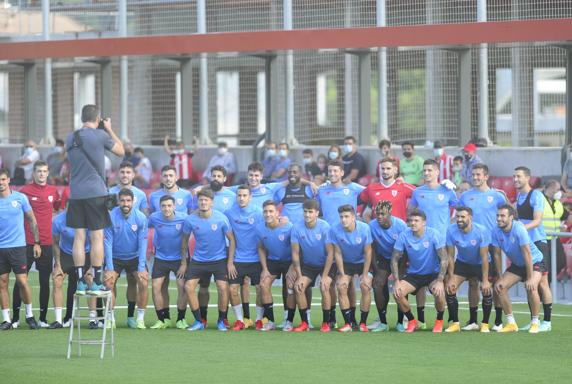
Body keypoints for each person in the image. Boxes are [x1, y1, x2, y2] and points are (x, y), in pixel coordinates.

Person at [65, 104, 124, 297]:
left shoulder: (70, 137)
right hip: (95, 193)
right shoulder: (101, 135)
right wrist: (108, 128)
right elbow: (121, 151)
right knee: (97, 236)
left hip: (75, 194)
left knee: (79, 237)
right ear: (97, 119)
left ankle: (81, 280)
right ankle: (97, 280)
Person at [12, 160, 60, 328]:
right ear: (33, 173)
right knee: (21, 281)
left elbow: (57, 208)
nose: (41, 174)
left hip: (46, 243)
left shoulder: (54, 191)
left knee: (44, 282)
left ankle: (43, 319)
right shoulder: (24, 192)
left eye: (44, 171)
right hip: (26, 243)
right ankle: (15, 318)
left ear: (48, 173)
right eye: (38, 171)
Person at [459, 163, 507, 330]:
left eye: (479, 174)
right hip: (472, 245)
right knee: (473, 283)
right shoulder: (465, 196)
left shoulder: (497, 196)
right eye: (474, 175)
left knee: (495, 283)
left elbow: (509, 214)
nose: (476, 177)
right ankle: (473, 321)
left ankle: (498, 321)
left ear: (486, 176)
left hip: (493, 245)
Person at [182, 188, 235, 332]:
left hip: (219, 259)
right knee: (188, 287)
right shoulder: (190, 219)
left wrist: (230, 263)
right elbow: (184, 241)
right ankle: (199, 320)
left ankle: (221, 321)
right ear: (197, 201)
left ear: (212, 202)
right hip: (198, 260)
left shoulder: (221, 218)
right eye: (201, 200)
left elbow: (231, 240)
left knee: (223, 288)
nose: (203, 202)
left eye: (206, 200)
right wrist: (183, 262)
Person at [391, 208, 448, 333]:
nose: (413, 223)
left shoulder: (433, 234)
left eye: (416, 220)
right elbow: (394, 259)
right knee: (397, 293)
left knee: (439, 293)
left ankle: (439, 321)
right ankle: (412, 321)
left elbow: (444, 258)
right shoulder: (404, 235)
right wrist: (396, 281)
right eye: (411, 220)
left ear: (424, 222)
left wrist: (440, 280)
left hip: (433, 274)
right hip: (414, 274)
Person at [492, 204, 545, 333]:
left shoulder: (519, 229)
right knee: (499, 286)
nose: (499, 218)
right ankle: (511, 324)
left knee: (531, 287)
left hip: (535, 261)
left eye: (502, 216)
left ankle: (535, 323)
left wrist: (530, 277)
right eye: (498, 216)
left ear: (511, 217)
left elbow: (527, 254)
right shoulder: (495, 231)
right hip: (517, 264)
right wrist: (499, 276)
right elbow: (497, 254)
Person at [0, 168, 40, 330]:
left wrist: (37, 242)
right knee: (2, 283)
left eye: (3, 179)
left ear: (8, 180)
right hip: (0, 249)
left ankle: (30, 315)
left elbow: (31, 219)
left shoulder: (20, 198)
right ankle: (6, 319)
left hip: (17, 247)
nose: (1, 183)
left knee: (22, 282)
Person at [514, 166, 553, 332]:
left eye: (518, 176)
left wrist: (521, 229)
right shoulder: (519, 196)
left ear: (528, 178)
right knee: (530, 283)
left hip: (538, 242)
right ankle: (534, 320)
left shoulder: (536, 195)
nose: (515, 179)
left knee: (542, 283)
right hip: (526, 244)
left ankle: (547, 321)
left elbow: (537, 220)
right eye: (514, 177)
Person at [103, 189, 149, 329]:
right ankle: (111, 319)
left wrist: (141, 267)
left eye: (128, 201)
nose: (125, 204)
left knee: (143, 282)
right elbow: (107, 243)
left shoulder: (140, 217)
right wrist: (109, 267)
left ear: (133, 201)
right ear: (118, 201)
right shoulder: (110, 216)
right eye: (122, 200)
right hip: (116, 257)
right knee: (108, 283)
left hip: (134, 257)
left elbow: (143, 243)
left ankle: (138, 319)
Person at [444, 207, 493, 333]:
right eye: (458, 217)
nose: (459, 219)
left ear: (470, 218)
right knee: (450, 287)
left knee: (486, 289)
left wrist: (486, 280)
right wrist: (450, 277)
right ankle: (455, 323)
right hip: (463, 262)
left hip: (481, 263)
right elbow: (450, 255)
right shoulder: (451, 230)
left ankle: (484, 324)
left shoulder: (481, 231)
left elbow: (484, 257)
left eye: (463, 217)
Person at [290, 199, 335, 332]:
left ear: (317, 213)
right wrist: (298, 275)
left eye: (310, 212)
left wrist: (325, 276)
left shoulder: (325, 227)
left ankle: (326, 323)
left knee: (324, 286)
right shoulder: (296, 227)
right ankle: (305, 323)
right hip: (309, 265)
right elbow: (295, 254)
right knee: (299, 287)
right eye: (305, 212)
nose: (307, 215)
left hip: (326, 264)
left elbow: (331, 253)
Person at [225, 185, 264, 330]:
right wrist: (229, 262)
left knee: (260, 289)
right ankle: (240, 320)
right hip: (238, 259)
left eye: (244, 195)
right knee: (232, 289)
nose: (241, 198)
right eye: (239, 195)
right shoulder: (229, 213)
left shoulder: (259, 213)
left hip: (256, 259)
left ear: (250, 197)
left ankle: (259, 319)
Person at [147, 195, 188, 329]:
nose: (166, 208)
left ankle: (181, 319)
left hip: (179, 259)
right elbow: (143, 228)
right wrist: (150, 246)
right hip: (160, 258)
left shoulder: (184, 218)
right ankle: (163, 319)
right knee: (156, 287)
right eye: (163, 206)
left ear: (174, 206)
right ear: (160, 207)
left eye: (169, 205)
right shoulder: (154, 217)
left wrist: (184, 262)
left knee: (182, 287)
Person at [331, 204, 373, 333]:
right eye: (341, 217)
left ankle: (363, 323)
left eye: (346, 216)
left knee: (365, 286)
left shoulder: (364, 229)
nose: (343, 219)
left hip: (362, 263)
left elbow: (368, 253)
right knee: (341, 286)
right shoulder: (335, 230)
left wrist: (365, 275)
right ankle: (348, 323)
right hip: (346, 263)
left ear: (354, 217)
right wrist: (342, 274)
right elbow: (337, 253)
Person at [49, 203, 91, 329]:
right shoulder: (58, 221)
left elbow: (96, 241)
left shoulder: (88, 220)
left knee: (90, 279)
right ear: (65, 208)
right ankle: (58, 320)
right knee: (57, 279)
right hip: (66, 253)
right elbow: (55, 243)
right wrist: (57, 264)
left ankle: (93, 319)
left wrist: (92, 266)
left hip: (86, 252)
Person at [368, 200, 408, 332]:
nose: (379, 216)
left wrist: (401, 272)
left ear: (390, 213)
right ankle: (383, 323)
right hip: (383, 259)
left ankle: (400, 322)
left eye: (383, 214)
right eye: (377, 213)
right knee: (377, 284)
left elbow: (406, 249)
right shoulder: (372, 226)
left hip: (400, 259)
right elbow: (371, 248)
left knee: (400, 287)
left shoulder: (401, 225)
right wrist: (376, 269)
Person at [256, 200, 295, 331]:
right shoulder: (260, 228)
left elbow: (297, 249)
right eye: (266, 211)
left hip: (289, 261)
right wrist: (265, 269)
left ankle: (288, 321)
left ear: (277, 213)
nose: (268, 214)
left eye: (271, 211)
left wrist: (292, 268)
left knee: (290, 287)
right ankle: (270, 321)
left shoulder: (288, 226)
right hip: (272, 261)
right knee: (263, 285)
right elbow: (261, 248)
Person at [359, 157, 415, 222]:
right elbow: (357, 201)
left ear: (395, 170)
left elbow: (422, 194)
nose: (385, 171)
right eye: (383, 168)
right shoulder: (371, 188)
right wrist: (371, 225)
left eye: (388, 168)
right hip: (379, 231)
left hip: (399, 231)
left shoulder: (403, 187)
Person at [410, 159, 459, 231]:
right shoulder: (417, 192)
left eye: (429, 170)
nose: (426, 173)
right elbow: (410, 212)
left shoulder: (447, 190)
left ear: (437, 172)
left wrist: (456, 190)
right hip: (423, 237)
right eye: (424, 170)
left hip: (442, 237)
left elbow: (460, 208)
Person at [316, 159, 365, 226]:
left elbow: (371, 192)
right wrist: (309, 183)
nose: (332, 173)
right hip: (329, 233)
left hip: (348, 233)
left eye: (335, 171)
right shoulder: (321, 190)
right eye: (330, 171)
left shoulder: (353, 187)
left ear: (342, 173)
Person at [542, 180, 567, 279]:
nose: (559, 192)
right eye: (557, 190)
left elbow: (566, 216)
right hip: (542, 239)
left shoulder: (557, 203)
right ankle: (544, 285)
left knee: (561, 262)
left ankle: (547, 281)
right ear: (550, 189)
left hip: (554, 239)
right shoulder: (540, 200)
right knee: (544, 266)